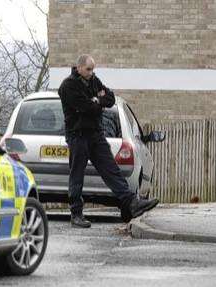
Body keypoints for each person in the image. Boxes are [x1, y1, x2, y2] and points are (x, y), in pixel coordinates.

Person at [58, 54, 159, 228]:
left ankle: (132, 203)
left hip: (96, 134)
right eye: (88, 69)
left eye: (93, 69)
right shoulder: (68, 86)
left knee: (111, 169)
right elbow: (84, 107)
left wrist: (97, 100)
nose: (91, 73)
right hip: (78, 135)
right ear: (79, 68)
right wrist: (97, 102)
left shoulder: (94, 81)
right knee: (77, 175)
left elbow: (110, 98)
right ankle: (76, 213)